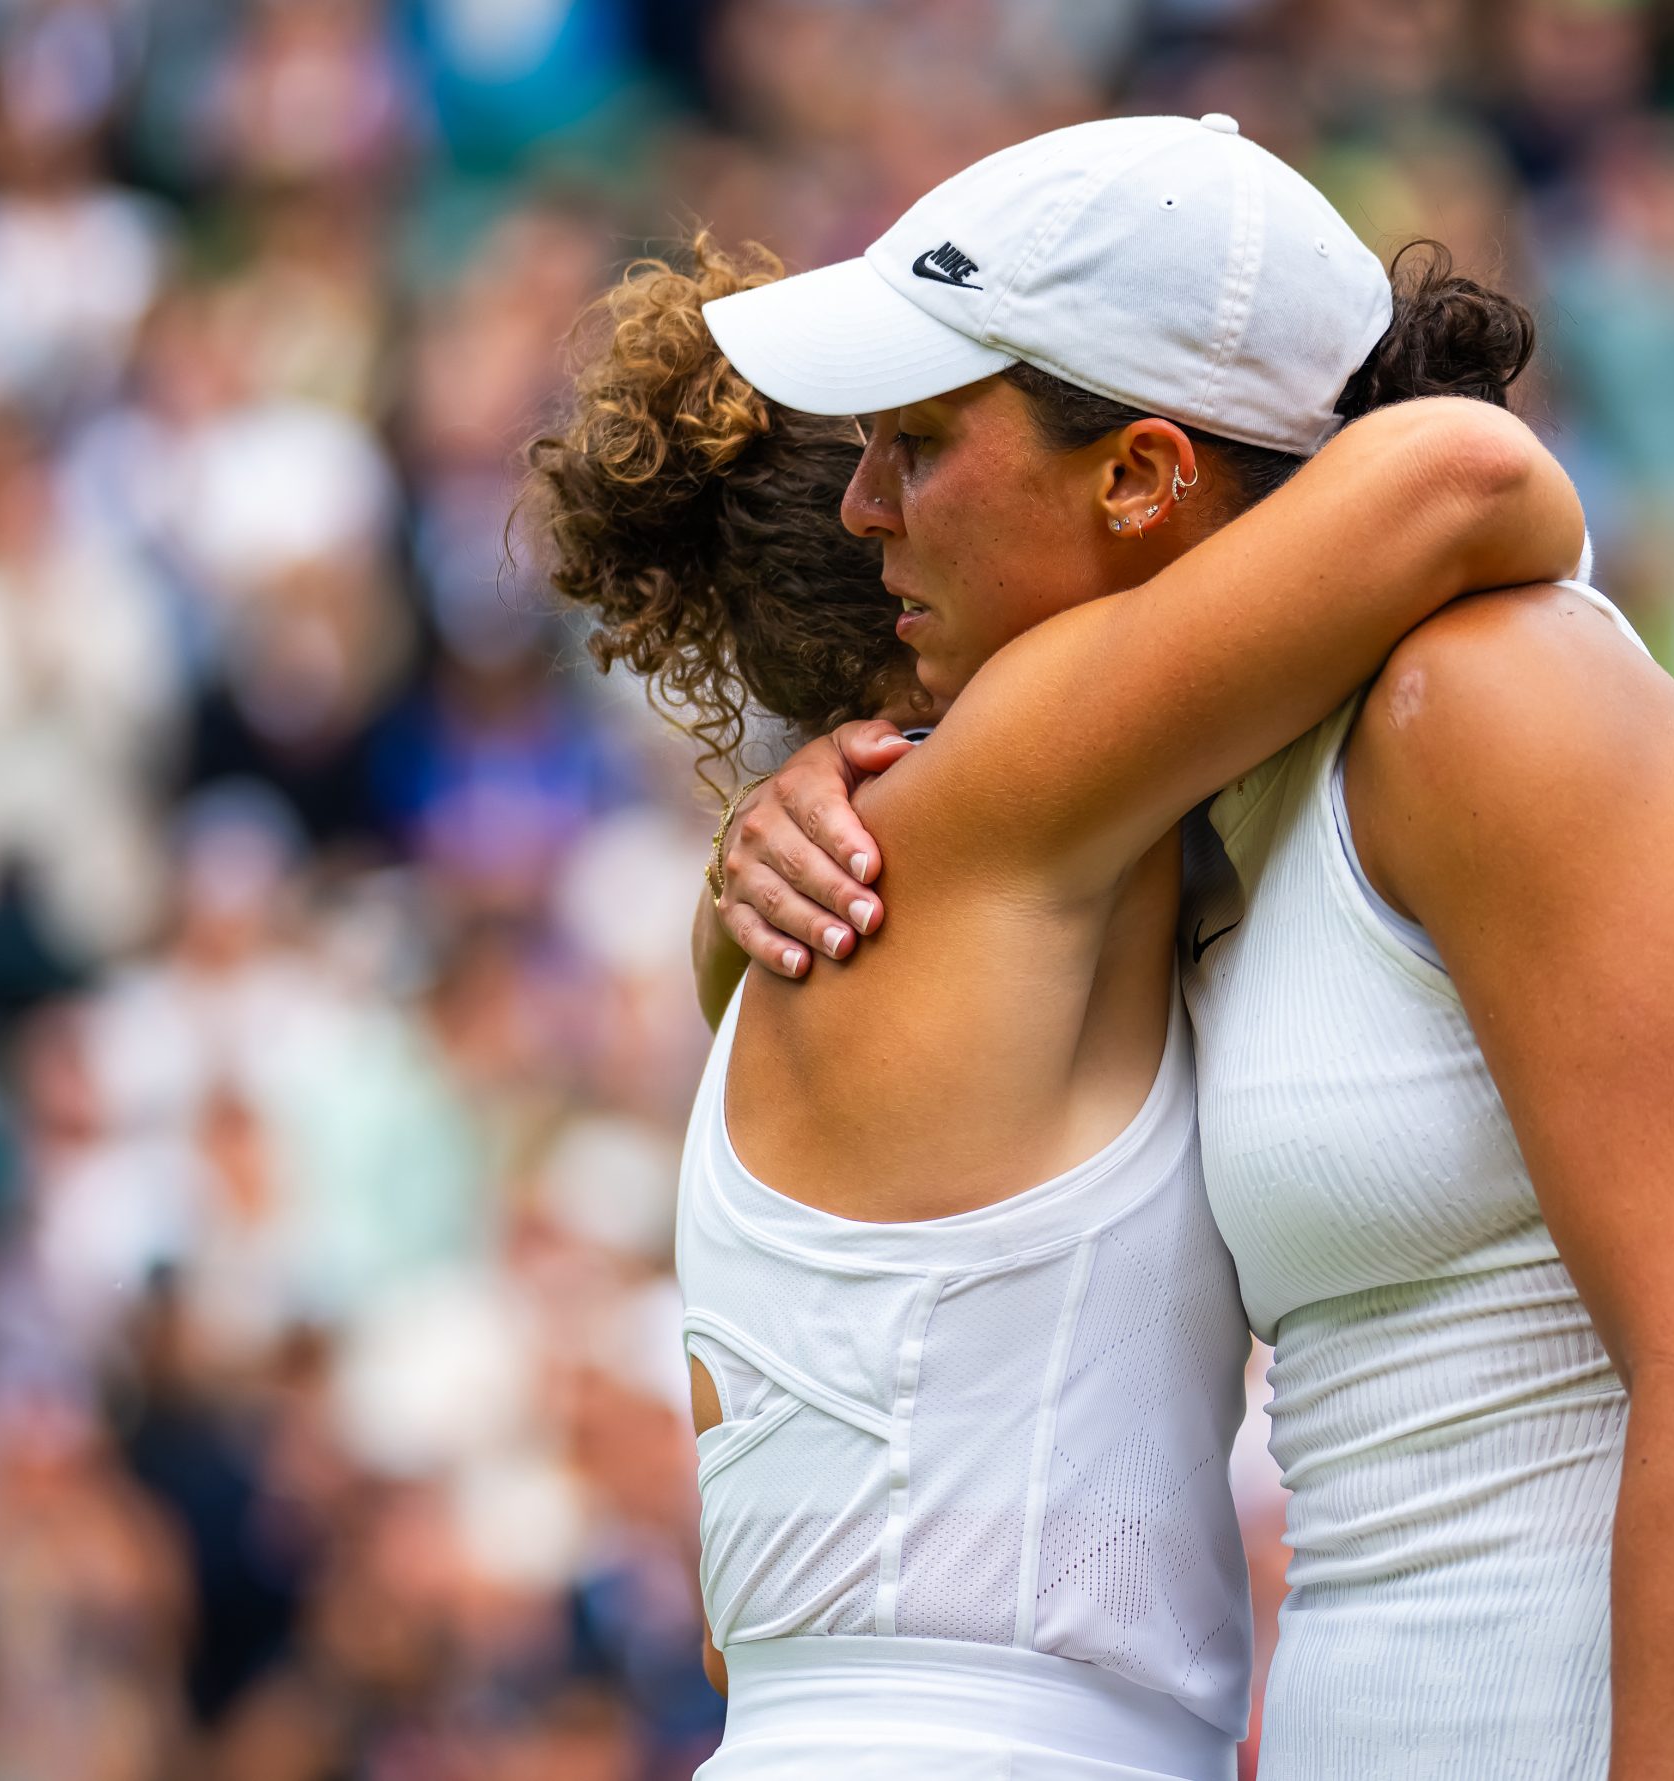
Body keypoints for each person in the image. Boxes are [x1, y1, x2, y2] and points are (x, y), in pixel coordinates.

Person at [708, 117, 1674, 1780]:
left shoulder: (1490, 697)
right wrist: (775, 831)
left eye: (918, 445)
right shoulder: (1202, 829)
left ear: (1143, 474)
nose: (864, 510)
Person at [525, 114, 1587, 1779]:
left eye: (921, 448)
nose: (887, 498)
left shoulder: (879, 874)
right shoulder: (992, 790)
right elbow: (1473, 475)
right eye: (887, 456)